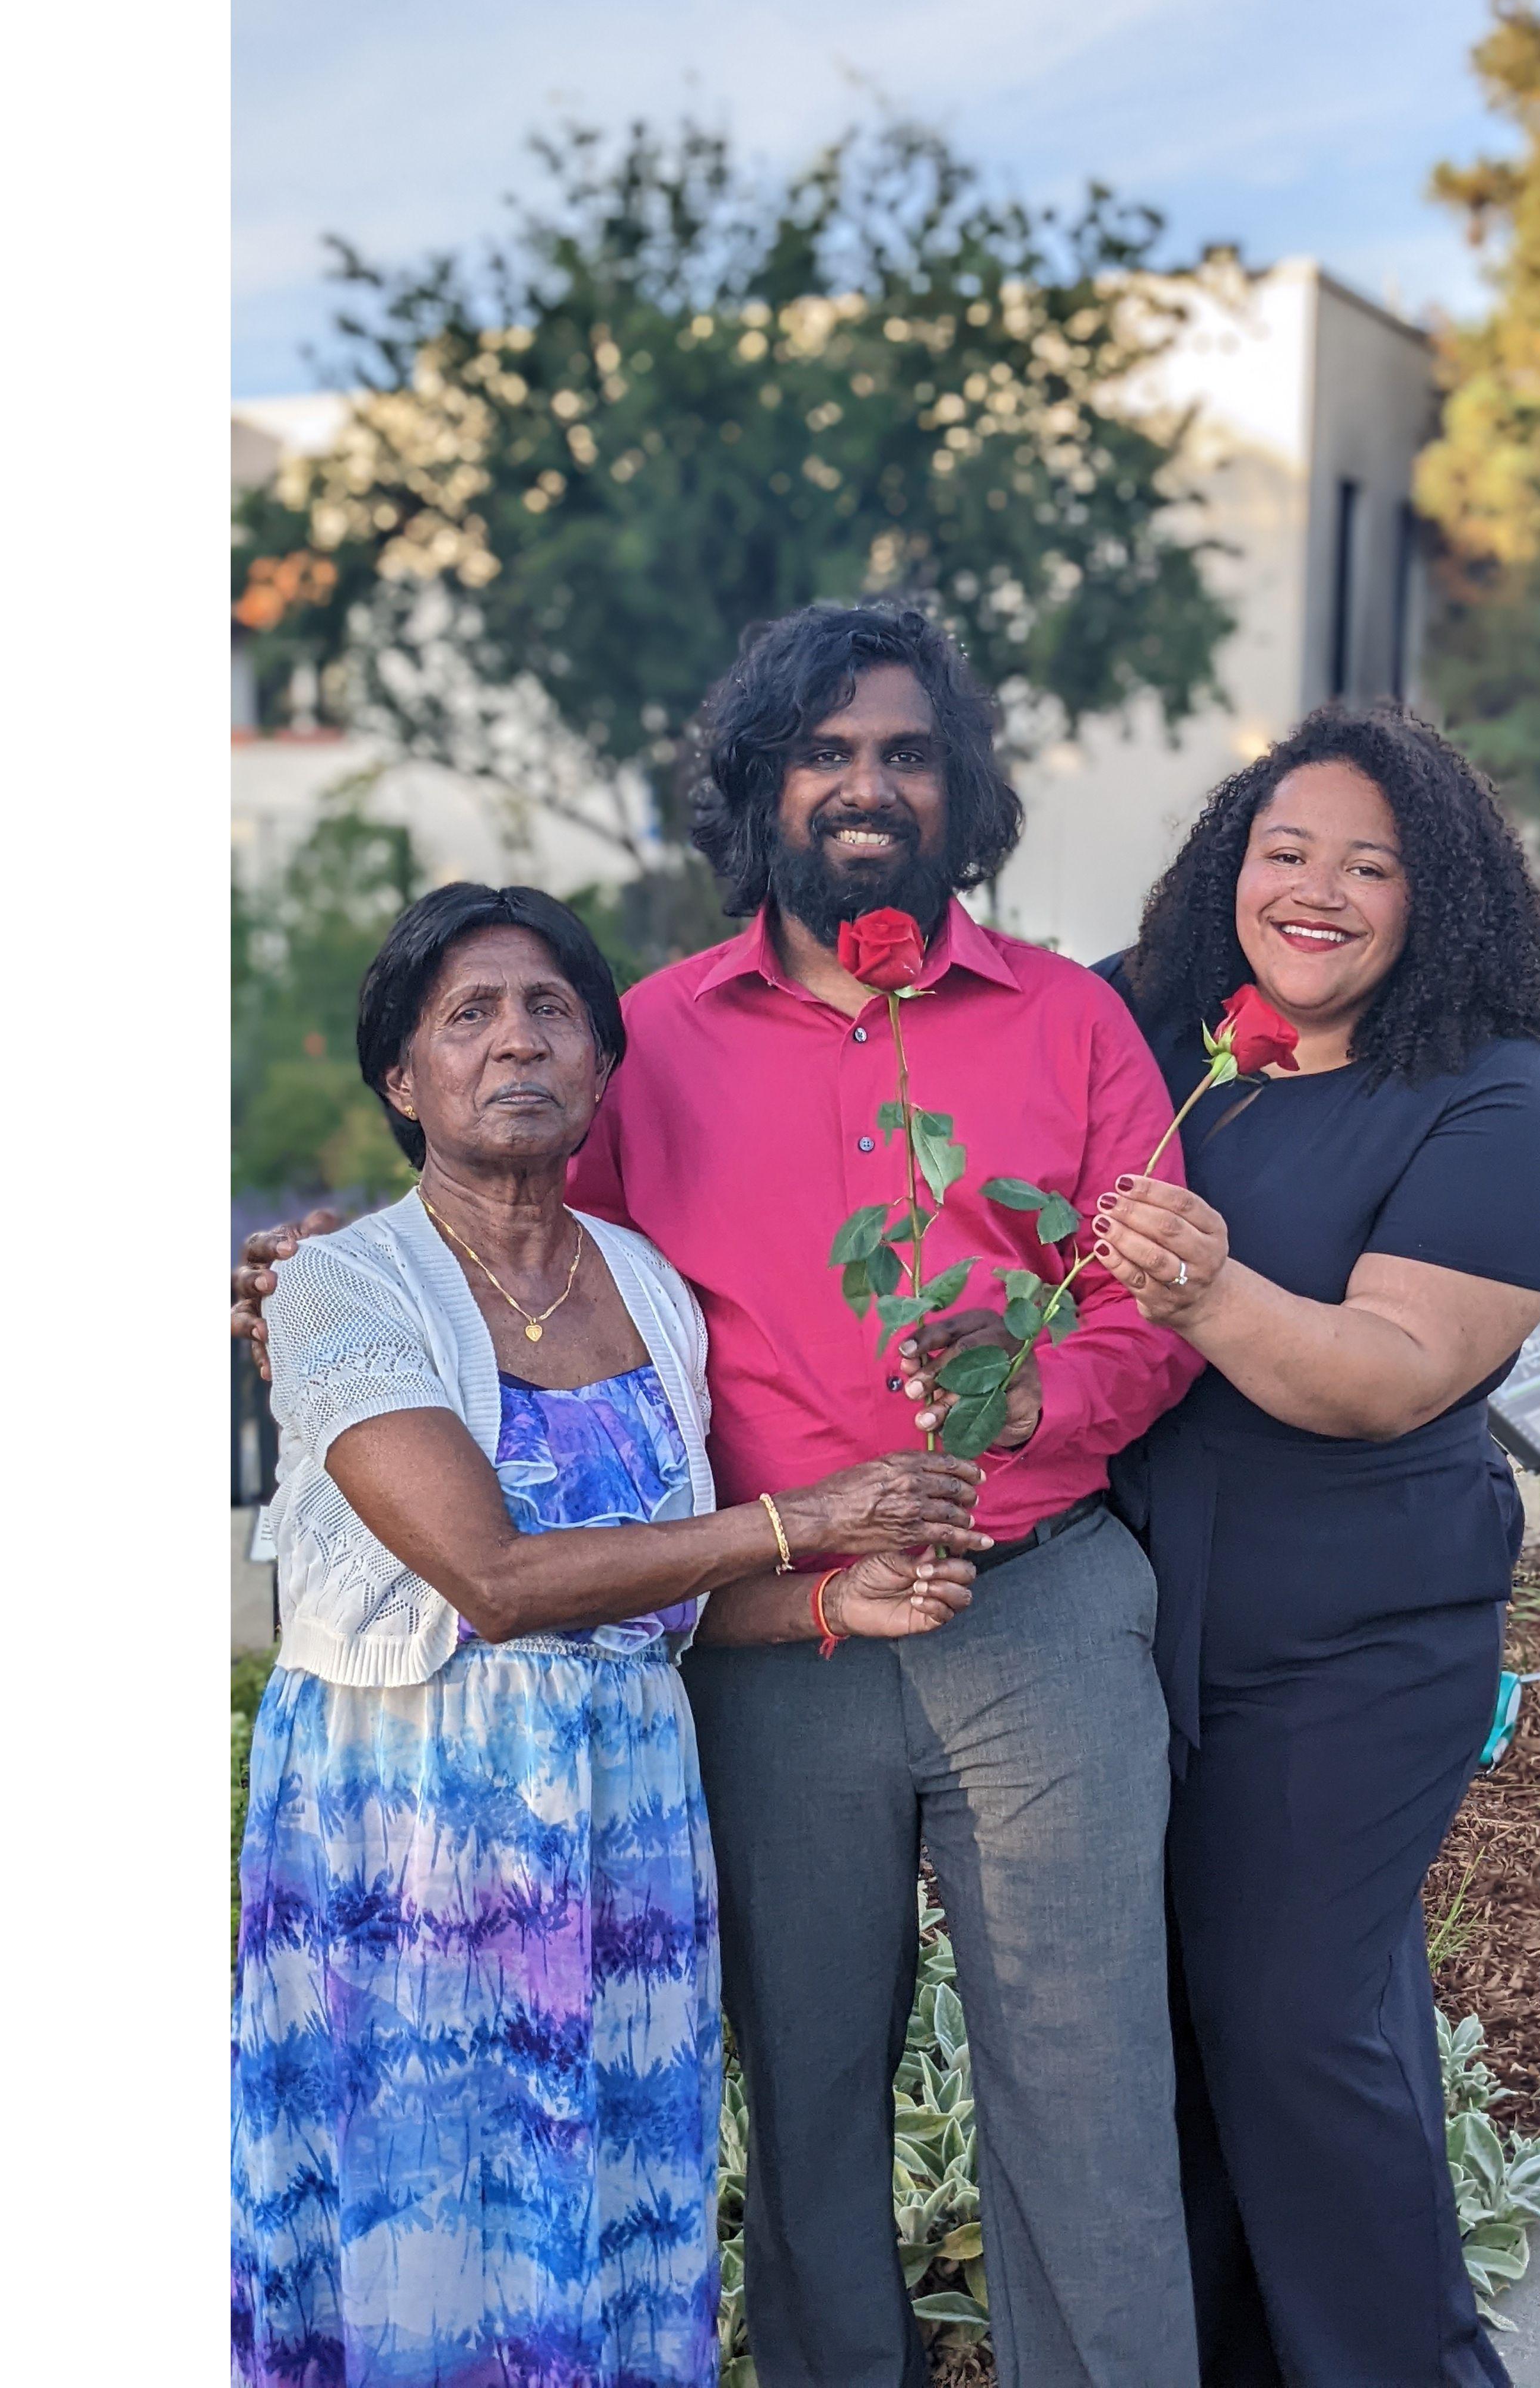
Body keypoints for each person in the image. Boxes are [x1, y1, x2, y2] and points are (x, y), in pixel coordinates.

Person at [236, 606, 1208, 2388]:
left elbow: (1158, 1309)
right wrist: (326, 1269)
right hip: (762, 1650)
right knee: (805, 2103)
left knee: (1088, 2094)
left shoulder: (1071, 1023)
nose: (865, 785)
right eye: (822, 753)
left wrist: (1016, 1412)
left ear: (960, 786)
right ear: (762, 789)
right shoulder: (650, 1038)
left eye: (904, 752)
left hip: (1041, 1602)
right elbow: (503, 1248)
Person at [230, 881, 992, 2388]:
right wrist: (803, 1522)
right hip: (416, 1835)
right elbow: (496, 1579)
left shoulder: (646, 1286)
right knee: (435, 2236)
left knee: (613, 2218)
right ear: (402, 1079)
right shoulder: (336, 1286)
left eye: (552, 1010)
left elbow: (655, 1606)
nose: (517, 1039)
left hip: (626, 1832)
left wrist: (828, 1598)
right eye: (468, 1014)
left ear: (601, 1063)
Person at [1088, 706, 1540, 2388]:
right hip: (1132, 1608)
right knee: (1181, 2037)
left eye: (1372, 866)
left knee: (1299, 2027)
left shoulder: (1498, 1095)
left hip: (1357, 1639)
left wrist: (1204, 1286)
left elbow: (1386, 1375)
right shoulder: (1151, 1025)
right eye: (1286, 851)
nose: (1317, 890)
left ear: (1436, 899)